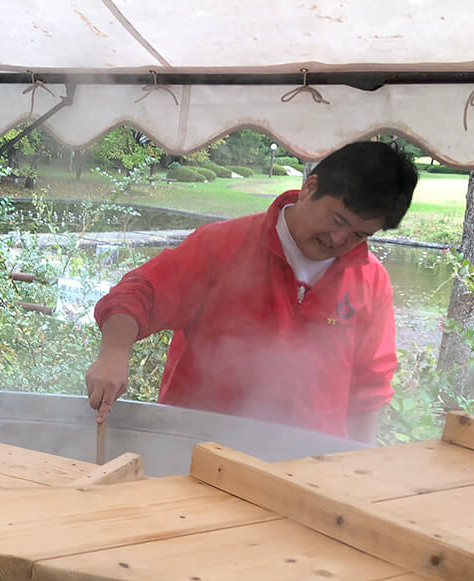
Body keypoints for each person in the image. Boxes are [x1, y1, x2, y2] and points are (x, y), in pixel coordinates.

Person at [85, 140, 418, 442]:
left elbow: (369, 388)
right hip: (196, 447)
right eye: (338, 220)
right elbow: (138, 294)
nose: (338, 241)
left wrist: (358, 461)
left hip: (309, 462)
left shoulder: (371, 280)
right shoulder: (221, 246)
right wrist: (113, 354)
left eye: (360, 235)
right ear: (309, 188)